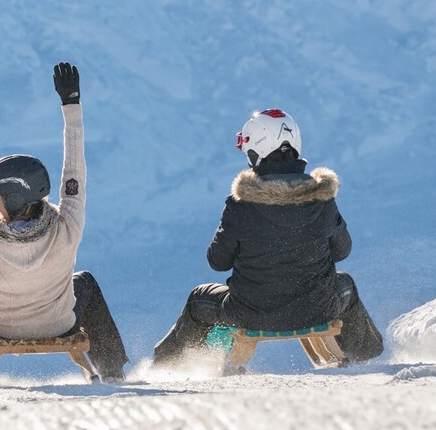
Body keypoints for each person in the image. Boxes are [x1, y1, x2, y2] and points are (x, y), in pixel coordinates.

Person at [153, 109, 383, 367]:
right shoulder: (322, 197)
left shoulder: (240, 203)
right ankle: (365, 358)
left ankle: (167, 367)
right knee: (346, 284)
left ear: (257, 151)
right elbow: (342, 251)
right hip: (317, 308)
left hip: (250, 312)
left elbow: (217, 261)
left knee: (199, 298)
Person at [0, 62, 129, 384]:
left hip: (1, 326)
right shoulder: (67, 228)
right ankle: (113, 370)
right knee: (83, 280)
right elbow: (75, 172)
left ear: (14, 198)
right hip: (61, 323)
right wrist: (70, 103)